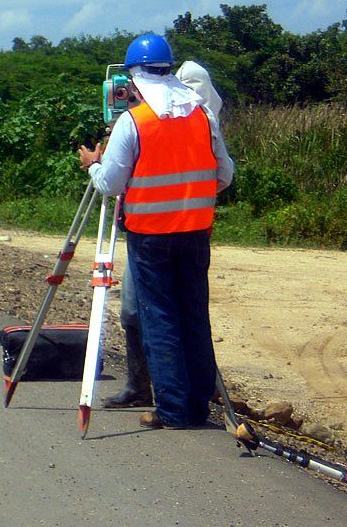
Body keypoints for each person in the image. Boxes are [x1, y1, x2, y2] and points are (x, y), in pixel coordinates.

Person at [79, 34, 233, 429]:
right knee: (194, 318)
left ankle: (173, 410)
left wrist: (93, 164)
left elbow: (111, 185)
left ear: (132, 79)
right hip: (196, 233)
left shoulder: (134, 122)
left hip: (151, 237)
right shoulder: (202, 115)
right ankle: (197, 406)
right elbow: (225, 175)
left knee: (160, 319)